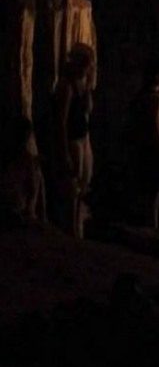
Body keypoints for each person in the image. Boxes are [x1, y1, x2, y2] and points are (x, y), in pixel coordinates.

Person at [55, 42, 96, 238]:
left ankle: (77, 226)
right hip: (72, 139)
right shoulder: (67, 86)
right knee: (72, 187)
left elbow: (88, 111)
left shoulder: (83, 84)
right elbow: (61, 122)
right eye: (86, 64)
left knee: (83, 184)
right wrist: (64, 152)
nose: (89, 68)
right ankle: (70, 229)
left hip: (83, 137)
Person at [128, 60, 159, 228]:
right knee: (153, 201)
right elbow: (156, 131)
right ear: (157, 76)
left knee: (142, 199)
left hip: (138, 152)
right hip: (151, 153)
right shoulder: (155, 99)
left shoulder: (139, 98)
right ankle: (150, 233)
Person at [0, 116, 47, 223]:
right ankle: (34, 214)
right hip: (17, 204)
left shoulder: (7, 154)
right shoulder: (25, 158)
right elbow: (32, 188)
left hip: (6, 202)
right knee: (38, 174)